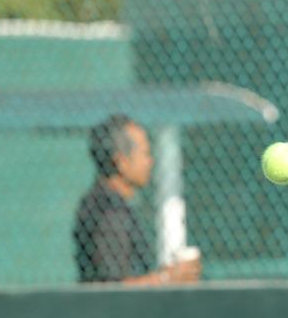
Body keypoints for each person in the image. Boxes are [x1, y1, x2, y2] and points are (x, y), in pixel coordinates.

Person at [72, 114, 203, 285]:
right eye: (145, 153)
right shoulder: (110, 211)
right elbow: (112, 290)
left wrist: (164, 275)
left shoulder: (105, 203)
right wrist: (167, 279)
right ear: (121, 162)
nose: (150, 161)